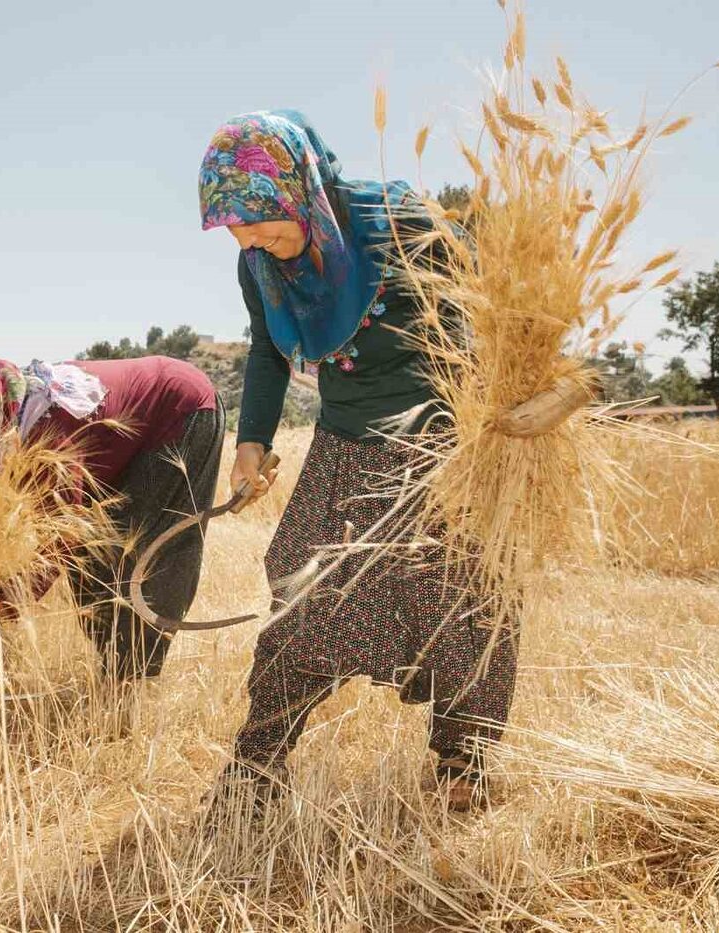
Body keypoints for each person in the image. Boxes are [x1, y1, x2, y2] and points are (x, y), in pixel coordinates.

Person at [198, 109, 532, 812]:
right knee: (301, 592)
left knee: (465, 600)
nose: (257, 243)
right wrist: (251, 442)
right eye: (240, 232)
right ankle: (256, 766)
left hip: (440, 446)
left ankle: (462, 763)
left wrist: (504, 411)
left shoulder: (399, 222)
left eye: (266, 224)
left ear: (302, 187)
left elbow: (491, 309)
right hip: (344, 442)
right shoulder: (257, 263)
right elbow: (265, 350)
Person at [0, 353, 224, 682]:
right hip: (122, 439)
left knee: (139, 561)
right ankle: (117, 673)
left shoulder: (44, 433)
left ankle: (129, 685)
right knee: (93, 563)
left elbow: (60, 542)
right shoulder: (5, 416)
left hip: (178, 410)